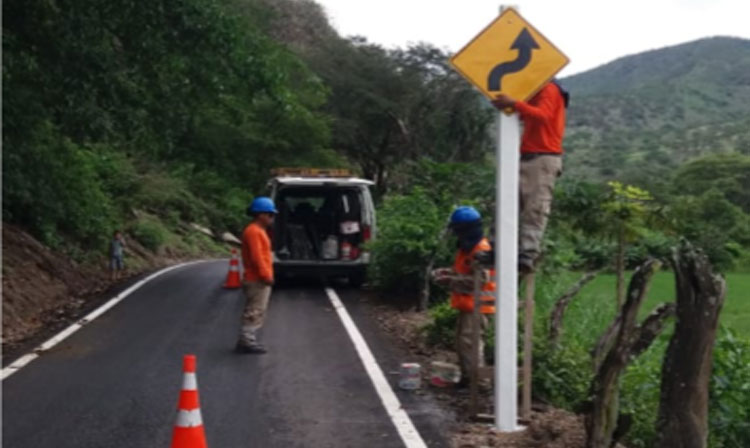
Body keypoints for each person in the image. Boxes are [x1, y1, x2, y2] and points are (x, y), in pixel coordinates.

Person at [491, 81, 569, 274]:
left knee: (535, 207)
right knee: (507, 203)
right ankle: (495, 248)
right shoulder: (534, 91)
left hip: (543, 157)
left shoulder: (548, 89)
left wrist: (514, 103)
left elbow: (543, 116)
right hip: (525, 155)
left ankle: (527, 253)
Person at [433, 206, 496, 385]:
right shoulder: (467, 248)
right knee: (463, 342)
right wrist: (446, 272)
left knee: (471, 344)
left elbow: (477, 281)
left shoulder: (480, 250)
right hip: (469, 304)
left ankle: (479, 384)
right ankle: (469, 379)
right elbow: (462, 270)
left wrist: (449, 282)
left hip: (480, 305)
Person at [236, 196, 277, 355]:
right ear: (261, 215)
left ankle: (247, 339)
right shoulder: (254, 232)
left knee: (257, 309)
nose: (272, 218)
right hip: (256, 278)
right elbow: (257, 257)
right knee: (255, 310)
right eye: (270, 214)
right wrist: (266, 275)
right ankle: (246, 341)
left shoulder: (258, 231)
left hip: (256, 277)